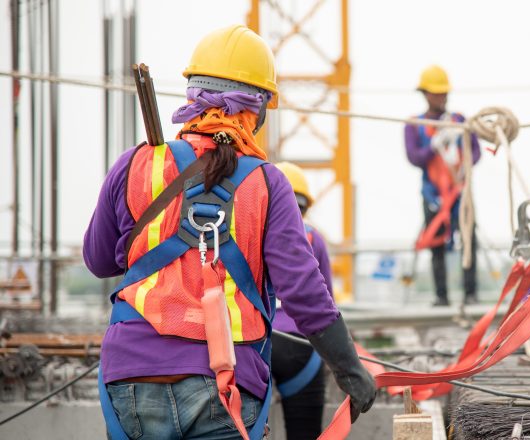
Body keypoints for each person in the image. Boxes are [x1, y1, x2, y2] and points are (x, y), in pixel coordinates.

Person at [84, 25, 375, 439]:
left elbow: (98, 261)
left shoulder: (138, 164)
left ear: (192, 98)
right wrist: (349, 370)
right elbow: (304, 290)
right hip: (226, 382)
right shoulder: (268, 184)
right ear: (256, 111)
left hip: (131, 375)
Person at [404, 65, 482, 306]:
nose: (442, 97)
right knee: (436, 244)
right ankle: (442, 296)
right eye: (437, 93)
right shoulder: (414, 124)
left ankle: (470, 293)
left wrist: (463, 164)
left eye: (444, 93)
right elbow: (414, 157)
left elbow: (476, 152)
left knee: (468, 240)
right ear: (425, 94)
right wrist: (434, 145)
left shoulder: (459, 121)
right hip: (433, 194)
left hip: (460, 192)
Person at [272, 162, 332, 439]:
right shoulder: (313, 238)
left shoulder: (245, 236)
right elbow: (326, 306)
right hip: (301, 350)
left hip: (255, 345)